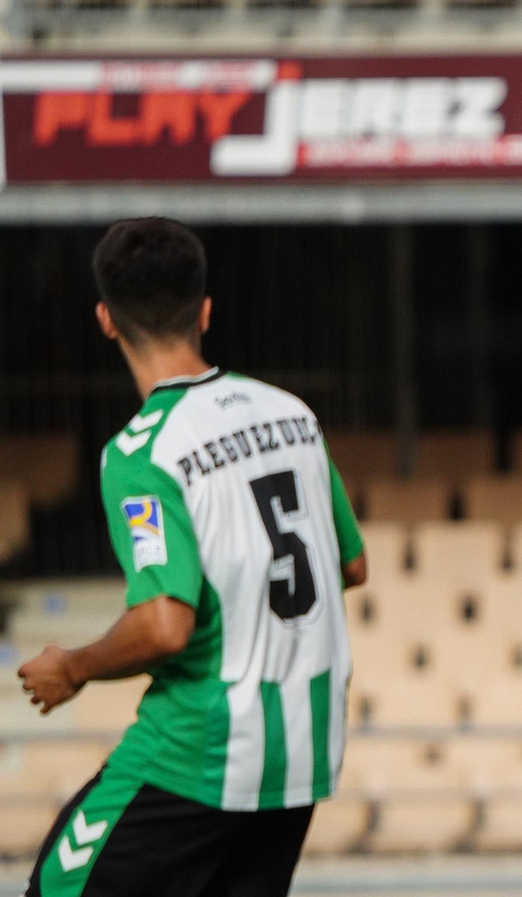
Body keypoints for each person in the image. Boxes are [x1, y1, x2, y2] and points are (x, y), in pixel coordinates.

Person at [16, 218, 366, 897]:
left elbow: (165, 624)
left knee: (56, 887)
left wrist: (74, 666)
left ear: (105, 320)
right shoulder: (290, 412)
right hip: (303, 748)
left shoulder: (140, 452)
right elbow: (351, 565)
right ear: (205, 311)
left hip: (200, 747)